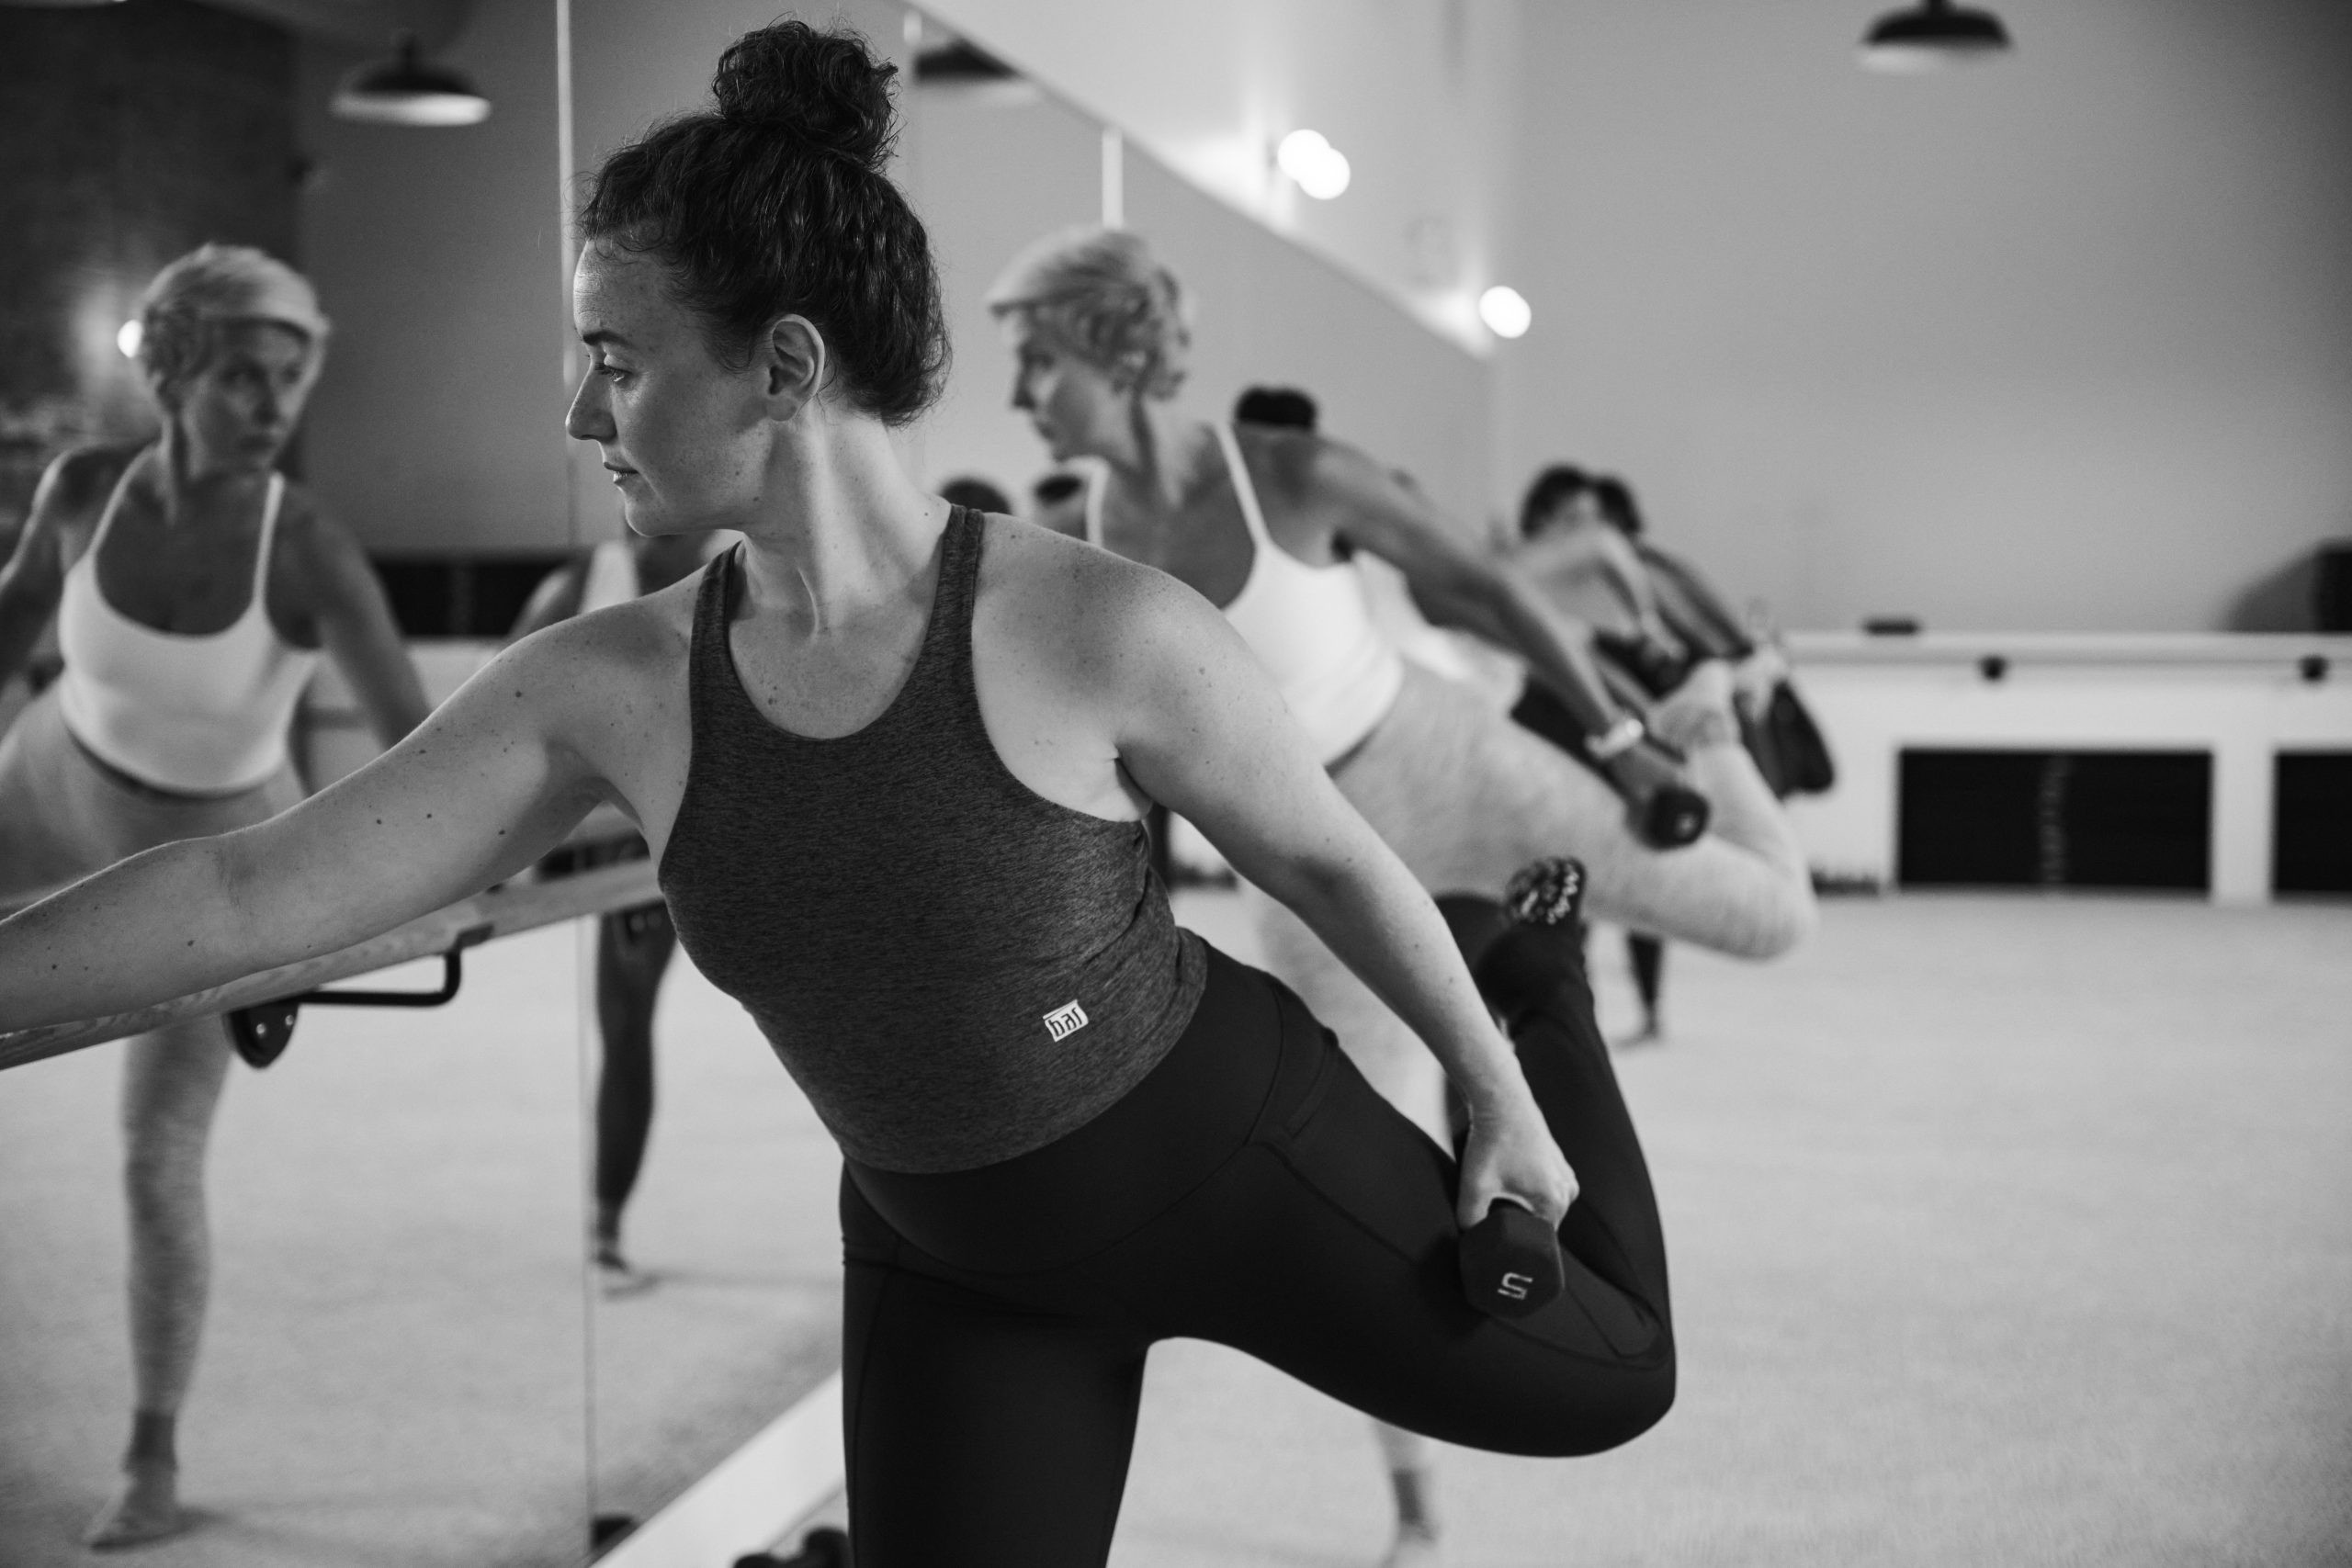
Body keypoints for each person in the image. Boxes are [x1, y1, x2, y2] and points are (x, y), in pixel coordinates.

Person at [3, 26, 1676, 1568]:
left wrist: (1494, 1075)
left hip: (1225, 1156)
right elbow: (243, 895)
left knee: (1616, 1378)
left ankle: (1542, 978)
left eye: (616, 359)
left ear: (785, 367)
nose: (579, 412)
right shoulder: (609, 688)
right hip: (949, 1259)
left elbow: (1325, 855)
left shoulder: (1096, 625)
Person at [989, 228, 1815, 1567]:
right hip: (1311, 866)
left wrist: (1630, 736)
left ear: (1114, 349)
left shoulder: (1289, 475)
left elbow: (1480, 581)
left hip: (1449, 760)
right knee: (1384, 1200)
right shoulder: (1092, 546)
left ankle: (1710, 715)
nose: (1020, 391)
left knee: (1775, 917)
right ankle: (1420, 1509)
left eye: (1037, 358)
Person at [0, 244, 429, 1549]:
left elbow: (421, 753)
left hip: (206, 865)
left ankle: (152, 1452)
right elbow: (10, 625)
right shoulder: (83, 488)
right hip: (42, 787)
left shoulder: (304, 544)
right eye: (244, 376)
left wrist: (343, 899)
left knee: (153, 1158)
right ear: (176, 372)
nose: (272, 405)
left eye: (291, 381)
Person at [507, 529, 725, 1294]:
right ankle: (607, 1225)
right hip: (612, 832)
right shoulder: (582, 579)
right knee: (625, 1014)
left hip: (701, 822)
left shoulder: (749, 566)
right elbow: (503, 697)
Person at [1513, 468, 1800, 1039]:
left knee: (1645, 885)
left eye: (1592, 519)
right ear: (1541, 519)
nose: (1582, 531)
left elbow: (1739, 654)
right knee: (1566, 905)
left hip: (1640, 757)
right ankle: (1574, 1025)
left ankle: (1646, 1011)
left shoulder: (1643, 576)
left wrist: (1708, 682)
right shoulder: (1530, 582)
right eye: (1566, 517)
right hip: (1558, 754)